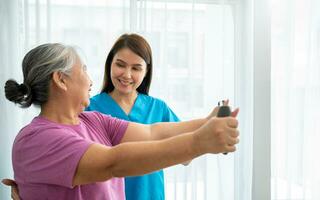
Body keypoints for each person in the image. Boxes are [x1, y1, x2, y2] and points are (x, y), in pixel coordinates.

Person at [3, 43, 239, 200]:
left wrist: (206, 122)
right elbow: (112, 163)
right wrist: (200, 142)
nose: (90, 79)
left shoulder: (92, 120)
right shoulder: (36, 139)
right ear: (61, 80)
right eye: (83, 70)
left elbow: (152, 133)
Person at [86, 33, 180, 200]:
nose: (127, 75)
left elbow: (185, 153)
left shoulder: (158, 108)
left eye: (136, 68)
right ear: (110, 64)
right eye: (120, 65)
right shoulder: (89, 108)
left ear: (146, 71)